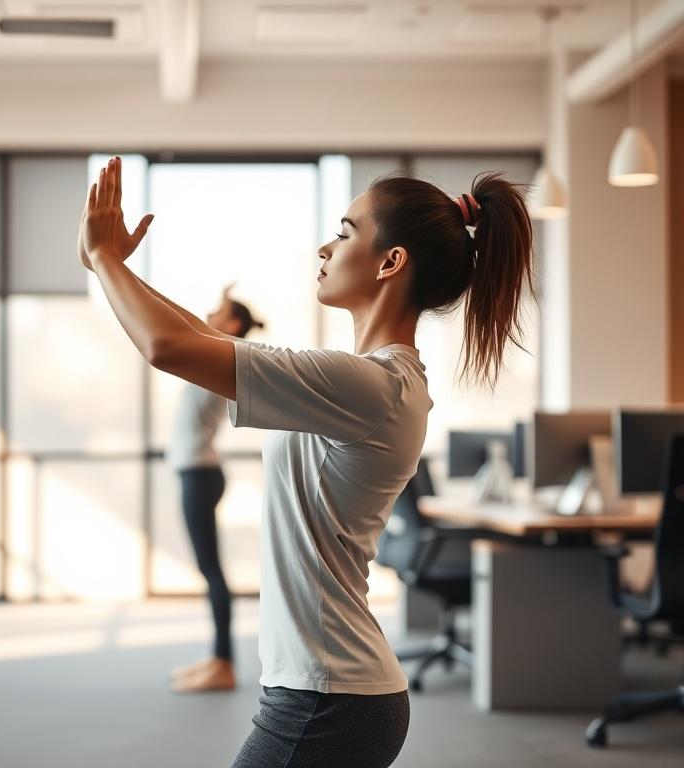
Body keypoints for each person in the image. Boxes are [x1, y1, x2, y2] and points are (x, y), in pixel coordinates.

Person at [77, 157, 534, 767]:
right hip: (327, 690)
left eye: (346, 232)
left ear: (390, 261)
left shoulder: (372, 385)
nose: (326, 245)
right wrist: (115, 266)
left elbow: (167, 348)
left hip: (330, 698)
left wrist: (106, 262)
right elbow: (200, 340)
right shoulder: (362, 381)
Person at [166, 284, 264, 694]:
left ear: (233, 324)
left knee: (212, 571)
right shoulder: (216, 352)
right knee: (209, 571)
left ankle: (223, 664)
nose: (208, 314)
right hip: (198, 472)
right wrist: (222, 303)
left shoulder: (222, 355)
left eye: (217, 311)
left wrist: (224, 307)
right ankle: (216, 657)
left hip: (200, 475)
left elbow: (183, 330)